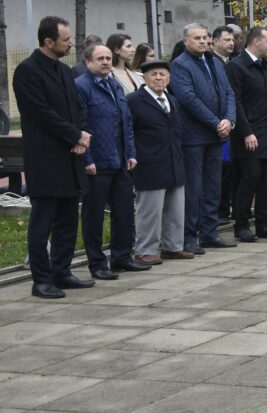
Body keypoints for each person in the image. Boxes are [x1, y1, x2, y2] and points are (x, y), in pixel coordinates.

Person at [13, 16, 92, 298]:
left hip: (71, 157)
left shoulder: (64, 70)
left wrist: (81, 137)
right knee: (42, 222)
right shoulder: (27, 71)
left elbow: (76, 107)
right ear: (49, 42)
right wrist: (74, 136)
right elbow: (41, 114)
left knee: (68, 220)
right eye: (66, 40)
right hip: (46, 158)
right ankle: (41, 280)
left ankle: (62, 271)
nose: (71, 43)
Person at [75, 44, 149, 279]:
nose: (106, 62)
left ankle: (121, 257)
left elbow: (125, 123)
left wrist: (131, 153)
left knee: (124, 213)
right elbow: (81, 126)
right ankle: (97, 264)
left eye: (108, 58)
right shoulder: (81, 87)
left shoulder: (113, 84)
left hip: (120, 162)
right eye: (100, 59)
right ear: (87, 62)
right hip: (97, 162)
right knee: (94, 216)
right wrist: (87, 159)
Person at [170, 22, 237, 253]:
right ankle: (189, 236)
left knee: (213, 186)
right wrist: (215, 122)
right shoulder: (180, 65)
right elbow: (188, 98)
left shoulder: (214, 63)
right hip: (194, 137)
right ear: (186, 41)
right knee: (194, 188)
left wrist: (229, 120)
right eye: (197, 38)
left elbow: (228, 92)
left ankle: (210, 232)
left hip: (217, 135)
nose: (203, 41)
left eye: (205, 37)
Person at [227, 26, 267, 241]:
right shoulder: (237, 66)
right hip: (248, 135)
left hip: (265, 133)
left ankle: (263, 224)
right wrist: (246, 132)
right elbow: (236, 102)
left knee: (264, 180)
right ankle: (242, 225)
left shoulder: (264, 66)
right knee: (249, 178)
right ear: (256, 42)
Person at [128, 59, 193, 264]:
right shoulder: (134, 101)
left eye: (162, 74)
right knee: (150, 210)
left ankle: (173, 247)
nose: (158, 78)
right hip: (149, 163)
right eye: (153, 74)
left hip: (174, 161)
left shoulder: (171, 100)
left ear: (169, 78)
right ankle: (145, 249)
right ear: (145, 78)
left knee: (175, 209)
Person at [210, 25, 237, 220]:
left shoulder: (230, 62)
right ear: (215, 41)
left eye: (233, 40)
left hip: (231, 122)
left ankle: (226, 207)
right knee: (221, 168)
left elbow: (231, 94)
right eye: (227, 40)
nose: (232, 43)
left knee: (230, 167)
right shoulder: (212, 62)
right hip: (216, 125)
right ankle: (220, 209)